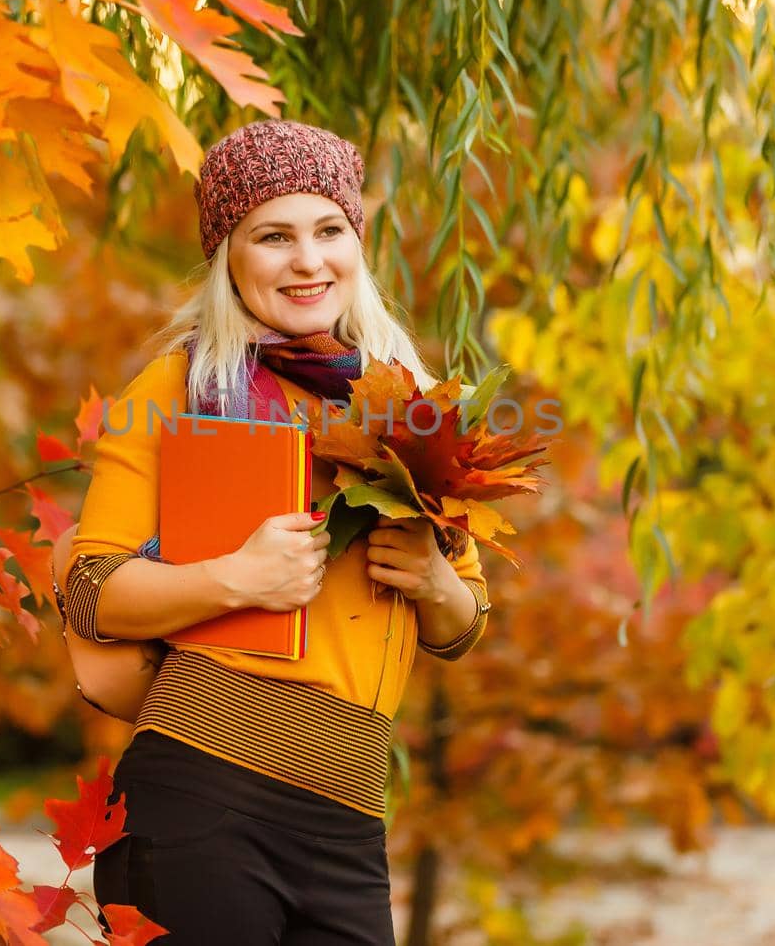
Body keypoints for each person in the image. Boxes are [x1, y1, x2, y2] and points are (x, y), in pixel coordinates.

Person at [53, 118, 491, 945]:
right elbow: (89, 590)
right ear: (229, 255)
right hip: (201, 795)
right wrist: (238, 580)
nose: (307, 260)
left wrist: (435, 580)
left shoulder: (411, 404)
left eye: (329, 230)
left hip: (349, 817)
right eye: (273, 236)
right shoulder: (180, 383)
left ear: (357, 243)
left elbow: (463, 622)